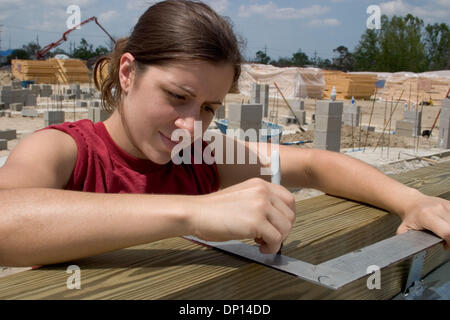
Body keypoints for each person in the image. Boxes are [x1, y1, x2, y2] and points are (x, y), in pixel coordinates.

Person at [0, 0, 449, 268]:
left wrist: (411, 201)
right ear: (128, 72)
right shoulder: (65, 152)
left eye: (209, 108)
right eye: (177, 96)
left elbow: (315, 163)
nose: (191, 125)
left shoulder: (202, 156)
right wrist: (195, 213)